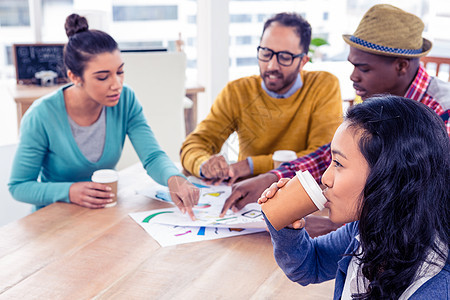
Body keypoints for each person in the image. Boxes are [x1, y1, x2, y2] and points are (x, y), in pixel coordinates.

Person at [221, 4, 450, 218]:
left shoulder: (442, 113)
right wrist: (275, 176)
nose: (353, 76)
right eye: (352, 65)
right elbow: (338, 156)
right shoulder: (379, 99)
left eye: (364, 68)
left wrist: (344, 227)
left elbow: (427, 202)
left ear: (401, 66)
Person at [8, 14, 199, 220]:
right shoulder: (41, 116)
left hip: (102, 216)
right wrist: (69, 191)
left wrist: (174, 178)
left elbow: (152, 156)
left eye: (120, 71)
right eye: (102, 77)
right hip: (54, 220)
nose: (116, 84)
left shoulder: (126, 100)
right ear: (74, 77)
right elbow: (19, 186)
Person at [259, 95, 449, 299]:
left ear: (388, 177)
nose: (325, 178)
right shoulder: (367, 229)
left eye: (338, 164)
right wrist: (287, 224)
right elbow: (311, 265)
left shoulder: (433, 286)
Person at [180, 12, 342, 185]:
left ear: (303, 61)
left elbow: (323, 158)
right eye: (266, 53)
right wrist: (204, 164)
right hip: (245, 193)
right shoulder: (237, 91)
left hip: (298, 193)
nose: (272, 66)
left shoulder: (323, 85)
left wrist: (251, 165)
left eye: (285, 57)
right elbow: (194, 145)